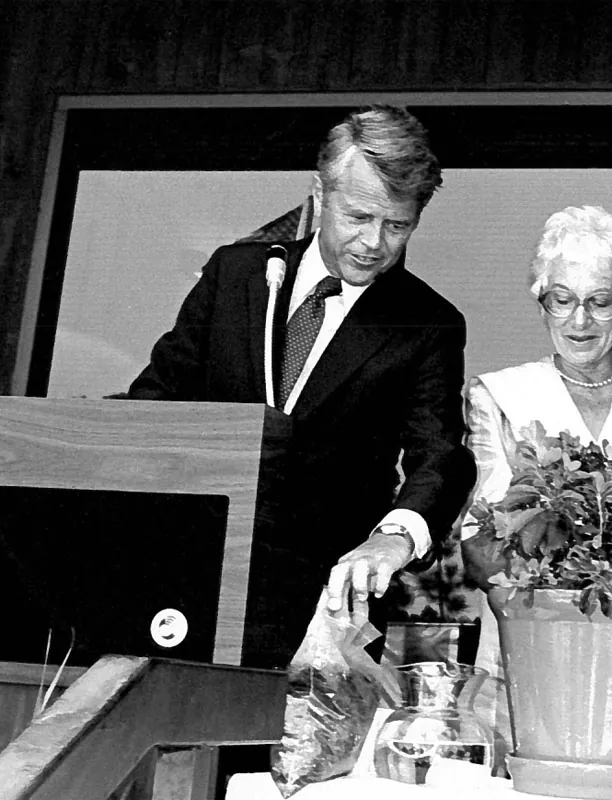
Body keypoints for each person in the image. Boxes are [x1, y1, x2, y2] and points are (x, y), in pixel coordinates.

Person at [127, 104, 476, 668]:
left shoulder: (428, 324)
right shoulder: (236, 274)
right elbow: (156, 400)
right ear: (319, 195)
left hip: (318, 610)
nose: (374, 243)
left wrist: (394, 537)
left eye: (397, 226)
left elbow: (439, 456)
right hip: (183, 581)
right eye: (358, 216)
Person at [458, 205, 612, 766]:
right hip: (528, 643)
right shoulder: (500, 394)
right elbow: (480, 545)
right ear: (542, 302)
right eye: (562, 299)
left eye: (600, 301)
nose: (579, 320)